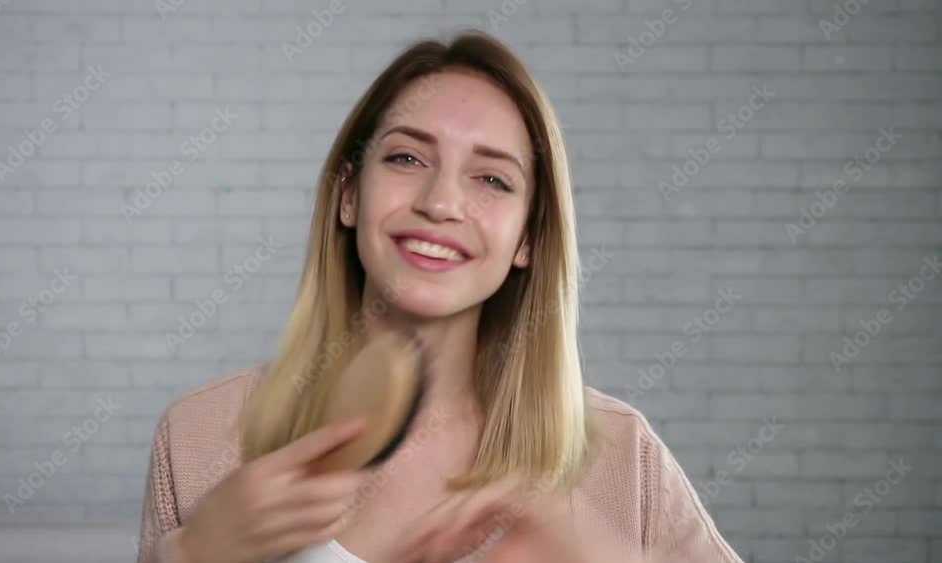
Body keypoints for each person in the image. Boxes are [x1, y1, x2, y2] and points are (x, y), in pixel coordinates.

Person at [136, 30, 744, 563]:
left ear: (527, 237)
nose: (440, 203)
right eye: (406, 157)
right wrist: (188, 557)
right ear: (349, 194)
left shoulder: (620, 457)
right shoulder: (200, 436)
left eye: (491, 179)